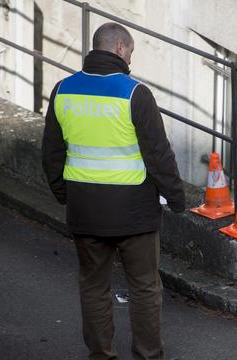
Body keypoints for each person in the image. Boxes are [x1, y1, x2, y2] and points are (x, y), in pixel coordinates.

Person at [42, 22, 185, 360]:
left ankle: (101, 355)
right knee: (145, 288)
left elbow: (51, 153)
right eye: (131, 52)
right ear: (120, 48)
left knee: (93, 286)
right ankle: (148, 355)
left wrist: (65, 194)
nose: (131, 61)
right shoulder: (135, 93)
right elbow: (158, 154)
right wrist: (177, 198)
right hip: (134, 213)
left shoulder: (63, 90)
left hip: (85, 210)